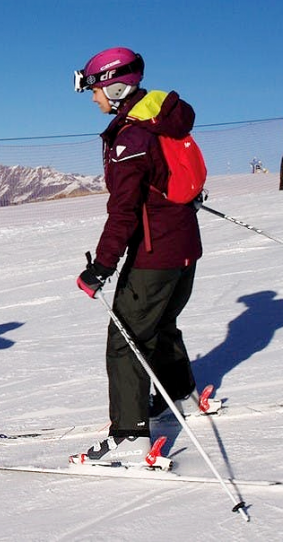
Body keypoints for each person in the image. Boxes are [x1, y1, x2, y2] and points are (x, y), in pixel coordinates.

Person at [71, 46, 205, 465]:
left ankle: (129, 435)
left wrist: (101, 267)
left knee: (126, 338)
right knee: (161, 323)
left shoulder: (131, 138)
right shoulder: (160, 121)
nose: (93, 99)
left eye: (95, 90)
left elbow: (124, 211)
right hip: (184, 248)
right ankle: (177, 395)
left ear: (114, 88)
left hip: (155, 253)